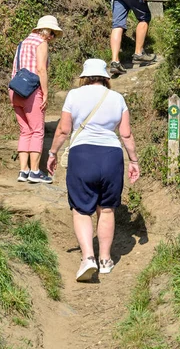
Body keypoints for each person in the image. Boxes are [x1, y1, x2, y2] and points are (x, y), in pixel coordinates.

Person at [47, 58, 140, 282]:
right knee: (106, 210)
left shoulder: (74, 95)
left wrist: (52, 153)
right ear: (106, 77)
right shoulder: (117, 98)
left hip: (83, 156)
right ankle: (106, 260)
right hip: (111, 157)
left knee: (81, 209)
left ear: (85, 76)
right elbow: (125, 134)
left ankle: (88, 257)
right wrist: (134, 161)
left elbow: (63, 130)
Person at [9, 15, 63, 184]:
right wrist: (45, 92)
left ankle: (23, 170)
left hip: (15, 90)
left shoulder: (22, 43)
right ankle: (34, 171)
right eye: (52, 33)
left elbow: (15, 69)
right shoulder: (41, 43)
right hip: (31, 92)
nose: (52, 37)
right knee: (37, 131)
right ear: (45, 31)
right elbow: (41, 69)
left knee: (25, 131)